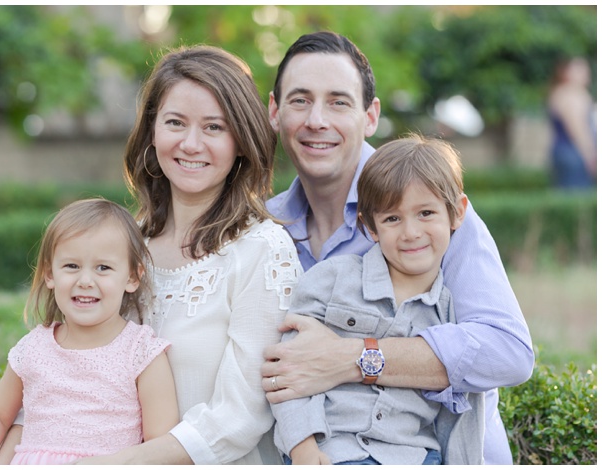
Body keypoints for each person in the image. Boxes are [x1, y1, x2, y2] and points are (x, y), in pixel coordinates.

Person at [261, 31, 534, 465]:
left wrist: (354, 358)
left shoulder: (431, 214)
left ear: (371, 116)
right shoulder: (264, 229)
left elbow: (508, 352)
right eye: (299, 100)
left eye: (338, 101)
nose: (316, 119)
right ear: (275, 112)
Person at [73, 45, 301, 465]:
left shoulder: (262, 251)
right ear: (152, 132)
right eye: (175, 122)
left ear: (242, 141)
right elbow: (68, 365)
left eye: (214, 127)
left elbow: (240, 418)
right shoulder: (124, 244)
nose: (191, 144)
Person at [272, 134, 484, 465]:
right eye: (392, 218)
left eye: (426, 213)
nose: (411, 232)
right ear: (370, 226)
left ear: (457, 213)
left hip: (414, 456)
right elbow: (287, 373)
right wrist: (303, 450)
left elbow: (461, 414)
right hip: (334, 450)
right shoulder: (330, 281)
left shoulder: (454, 312)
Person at [0, 198, 179, 464]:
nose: (85, 281)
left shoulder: (141, 352)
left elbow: (159, 443)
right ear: (50, 274)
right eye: (72, 266)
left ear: (132, 276)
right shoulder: (34, 347)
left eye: (103, 268)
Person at [547, 56, 597, 189]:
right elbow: (577, 129)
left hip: (564, 152)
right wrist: (590, 155)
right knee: (579, 198)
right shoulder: (573, 95)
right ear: (566, 72)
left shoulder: (559, 92)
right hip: (575, 154)